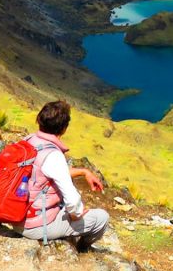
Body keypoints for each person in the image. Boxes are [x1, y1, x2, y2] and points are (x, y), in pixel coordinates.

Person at [13, 100, 108, 251]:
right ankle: (83, 249)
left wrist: (84, 172)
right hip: (34, 226)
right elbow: (72, 201)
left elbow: (47, 171)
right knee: (101, 218)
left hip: (15, 214)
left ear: (40, 120)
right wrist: (76, 215)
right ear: (63, 129)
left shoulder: (28, 141)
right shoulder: (53, 155)